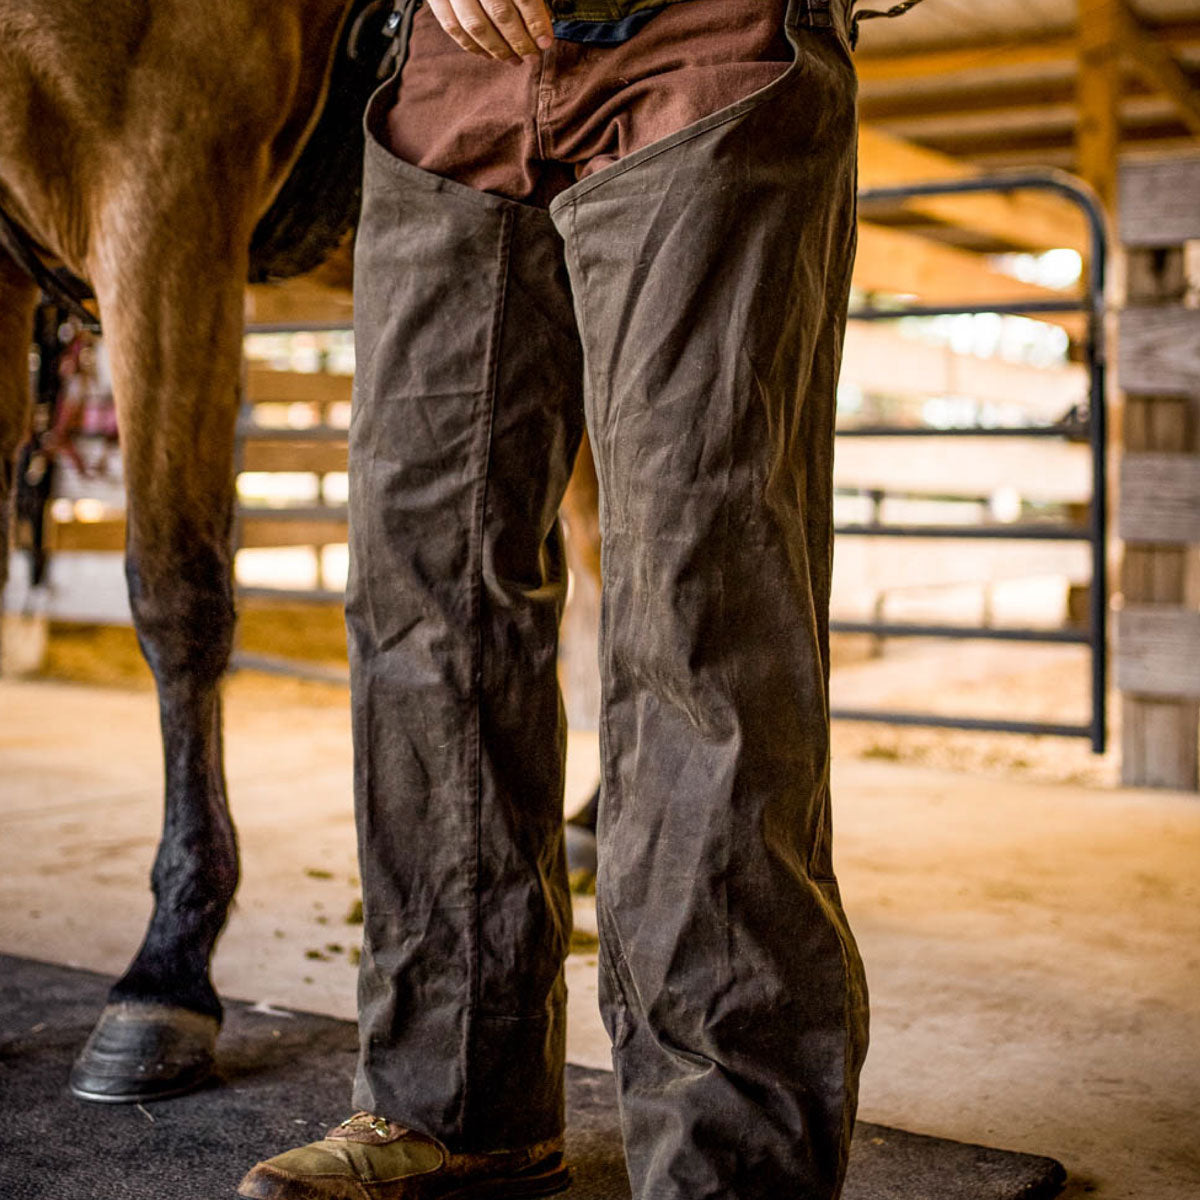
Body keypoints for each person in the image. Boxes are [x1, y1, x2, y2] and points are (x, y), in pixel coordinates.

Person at [238, 1, 914, 1197]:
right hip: (447, 76)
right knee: (422, 594)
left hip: (702, 42)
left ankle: (729, 1158)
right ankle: (453, 1105)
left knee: (697, 603)